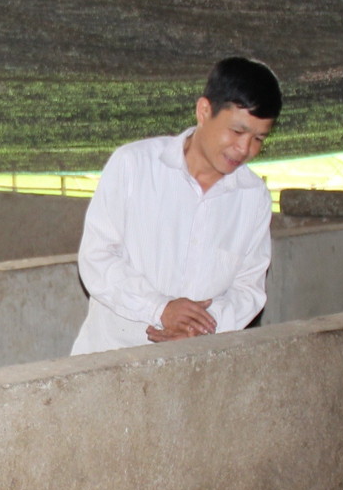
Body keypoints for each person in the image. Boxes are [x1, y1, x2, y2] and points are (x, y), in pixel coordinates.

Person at [71, 57, 282, 356]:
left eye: (259, 138)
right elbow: (97, 258)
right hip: (112, 359)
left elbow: (248, 289)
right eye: (237, 132)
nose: (245, 149)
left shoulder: (253, 197)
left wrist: (201, 329)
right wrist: (161, 309)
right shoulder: (134, 165)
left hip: (194, 366)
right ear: (204, 111)